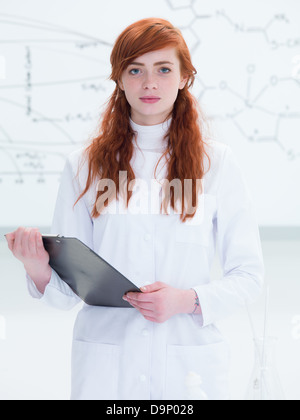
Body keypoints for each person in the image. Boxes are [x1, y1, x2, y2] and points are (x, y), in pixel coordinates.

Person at [5, 18, 264, 400]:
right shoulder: (83, 166)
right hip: (106, 367)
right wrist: (36, 265)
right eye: (135, 70)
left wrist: (186, 300)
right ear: (119, 78)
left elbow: (249, 275)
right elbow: (63, 296)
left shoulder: (217, 164)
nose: (149, 83)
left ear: (183, 78)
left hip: (188, 367)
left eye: (163, 69)